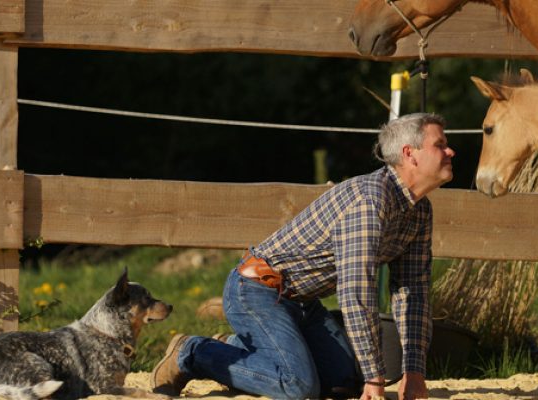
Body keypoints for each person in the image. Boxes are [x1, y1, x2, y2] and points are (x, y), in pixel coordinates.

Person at [151, 113, 455, 400]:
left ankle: (238, 347)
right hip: (258, 291)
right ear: (409, 154)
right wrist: (375, 379)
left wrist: (413, 370)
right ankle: (192, 352)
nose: (450, 151)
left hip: (302, 302)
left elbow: (412, 290)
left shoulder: (420, 210)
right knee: (299, 386)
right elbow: (355, 292)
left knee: (344, 383)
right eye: (440, 145)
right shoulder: (369, 201)